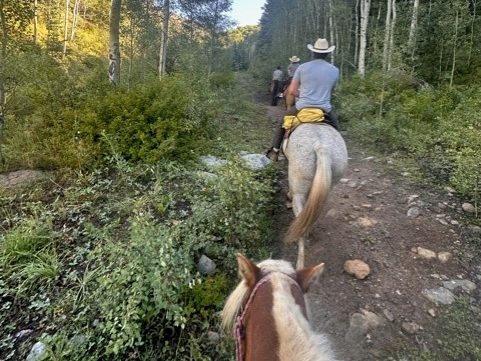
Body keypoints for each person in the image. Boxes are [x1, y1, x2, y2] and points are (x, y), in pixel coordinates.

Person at [266, 38, 340, 161]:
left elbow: (292, 91)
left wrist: (303, 94)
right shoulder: (334, 70)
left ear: (313, 52)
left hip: (302, 106)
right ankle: (339, 153)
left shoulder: (303, 67)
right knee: (337, 129)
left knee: (282, 122)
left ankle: (275, 151)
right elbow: (331, 90)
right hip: (325, 108)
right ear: (327, 54)